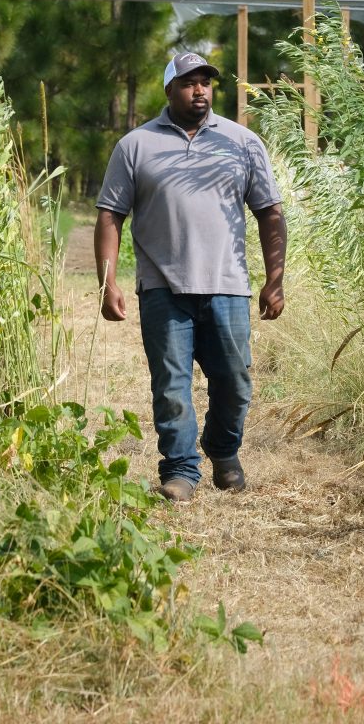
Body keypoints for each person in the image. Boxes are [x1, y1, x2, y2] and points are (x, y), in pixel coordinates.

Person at [94, 51, 287, 503]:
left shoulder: (242, 142)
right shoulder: (136, 145)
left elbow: (270, 214)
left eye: (205, 81)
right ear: (169, 90)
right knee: (171, 385)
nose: (199, 89)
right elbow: (110, 216)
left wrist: (274, 279)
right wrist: (108, 281)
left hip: (227, 284)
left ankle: (223, 451)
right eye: (187, 82)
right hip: (164, 286)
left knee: (235, 381)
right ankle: (180, 468)